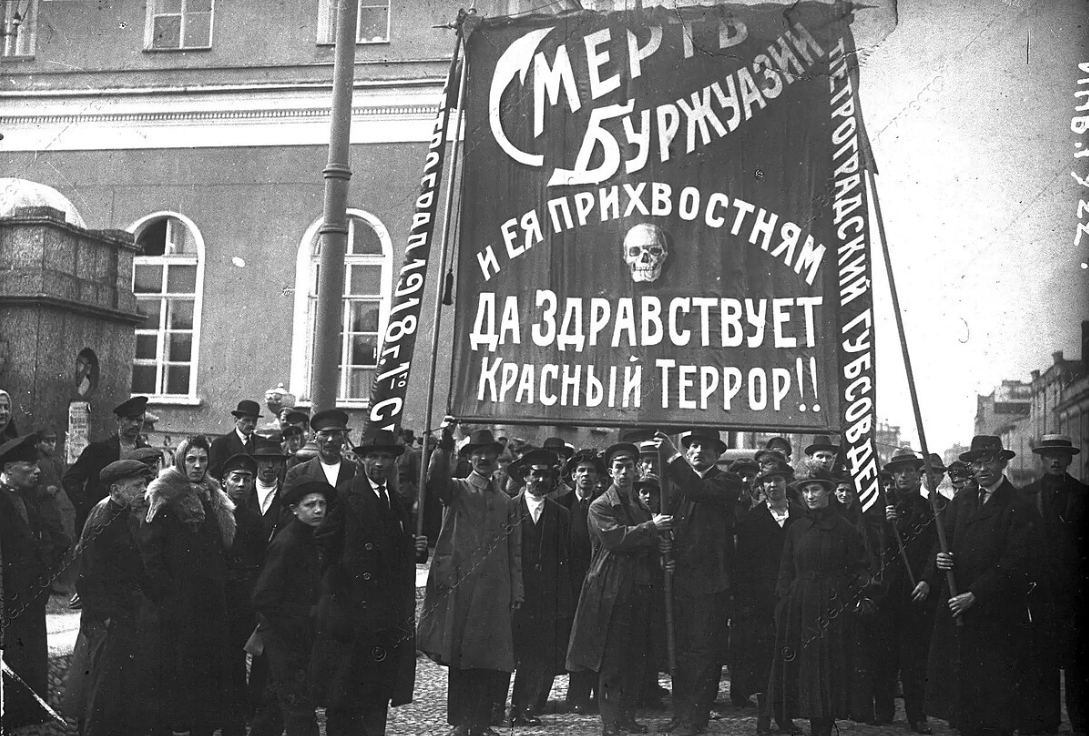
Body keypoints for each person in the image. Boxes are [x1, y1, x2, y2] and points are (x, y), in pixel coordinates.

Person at [310, 428, 429, 735]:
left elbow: (390, 552)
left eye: (386, 458)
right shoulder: (346, 495)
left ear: (394, 462)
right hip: (352, 616)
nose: (379, 463)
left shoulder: (394, 499)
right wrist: (337, 600)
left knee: (376, 696)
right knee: (345, 698)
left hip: (384, 617)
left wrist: (411, 549)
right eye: (373, 457)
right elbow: (323, 548)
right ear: (362, 460)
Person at [923, 435, 1036, 736]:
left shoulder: (1019, 505)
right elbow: (943, 537)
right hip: (959, 608)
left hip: (997, 613)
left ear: (1002, 462)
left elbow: (1016, 562)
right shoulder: (963, 499)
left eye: (988, 461)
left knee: (997, 701)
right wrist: (941, 558)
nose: (982, 468)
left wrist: (976, 594)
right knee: (964, 699)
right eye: (976, 462)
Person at [417, 426, 522, 736]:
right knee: (462, 658)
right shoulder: (457, 489)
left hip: (495, 591)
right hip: (462, 588)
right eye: (477, 455)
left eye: (489, 455)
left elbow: (514, 549)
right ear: (469, 458)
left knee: (489, 660)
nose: (483, 460)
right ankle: (462, 722)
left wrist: (517, 590)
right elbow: (434, 480)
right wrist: (445, 443)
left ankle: (481, 722)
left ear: (497, 460)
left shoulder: (505, 500)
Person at [567, 441, 673, 736]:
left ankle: (626, 717)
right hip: (611, 590)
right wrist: (652, 529)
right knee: (612, 660)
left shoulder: (639, 506)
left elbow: (645, 541)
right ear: (610, 473)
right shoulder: (600, 505)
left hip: (639, 589)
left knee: (635, 658)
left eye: (630, 467)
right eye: (619, 467)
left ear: (638, 469)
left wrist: (659, 542)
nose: (625, 472)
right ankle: (611, 722)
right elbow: (616, 539)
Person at [138, 434, 237, 736]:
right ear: (181, 461)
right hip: (178, 601)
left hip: (209, 599)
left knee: (207, 663)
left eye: (202, 460)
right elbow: (151, 553)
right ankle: (178, 724)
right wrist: (166, 594)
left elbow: (218, 547)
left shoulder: (212, 494)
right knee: (180, 664)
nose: (196, 466)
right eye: (191, 459)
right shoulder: (164, 496)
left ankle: (203, 723)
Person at [767, 468, 875, 736]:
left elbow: (859, 567)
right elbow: (785, 568)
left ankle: (823, 729)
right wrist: (783, 602)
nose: (810, 495)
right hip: (800, 606)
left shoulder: (845, 529)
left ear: (829, 492)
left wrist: (863, 595)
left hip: (832, 607)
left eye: (816, 489)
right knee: (802, 668)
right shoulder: (797, 528)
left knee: (826, 670)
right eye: (805, 491)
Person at [655, 429, 742, 734]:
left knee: (705, 655)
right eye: (692, 446)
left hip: (711, 583)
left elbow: (698, 491)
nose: (697, 452)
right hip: (680, 580)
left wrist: (671, 455)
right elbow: (673, 522)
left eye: (705, 447)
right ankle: (680, 715)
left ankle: (696, 720)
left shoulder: (726, 481)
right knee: (679, 653)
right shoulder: (677, 485)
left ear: (718, 454)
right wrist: (666, 545)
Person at [62, 459, 150, 735]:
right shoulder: (103, 520)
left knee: (116, 690)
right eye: (137, 485)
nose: (144, 489)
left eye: (144, 483)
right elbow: (89, 578)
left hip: (121, 616)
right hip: (108, 621)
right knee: (102, 692)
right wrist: (107, 618)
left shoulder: (120, 514)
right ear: (116, 489)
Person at [1017, 434, 1087, 736]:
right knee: (1041, 658)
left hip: (1077, 592)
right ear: (1041, 460)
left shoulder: (1084, 495)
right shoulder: (1026, 496)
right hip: (1040, 592)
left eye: (1061, 455)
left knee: (1079, 661)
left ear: (1070, 459)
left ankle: (1082, 720)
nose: (1056, 460)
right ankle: (1046, 722)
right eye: (1050, 456)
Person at [251, 479, 333, 736]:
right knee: (300, 707)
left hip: (300, 634)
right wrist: (295, 624)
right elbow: (263, 596)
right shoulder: (288, 543)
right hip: (286, 637)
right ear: (295, 509)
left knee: (274, 701)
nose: (318, 510)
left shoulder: (312, 538)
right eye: (310, 505)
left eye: (322, 504)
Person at [0, 434, 70, 729]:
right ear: (10, 469)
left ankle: (30, 710)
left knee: (31, 652)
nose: (38, 471)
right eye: (30, 466)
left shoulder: (29, 499)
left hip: (31, 595)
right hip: (8, 599)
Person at [733, 460, 803, 736]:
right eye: (767, 482)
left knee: (790, 659)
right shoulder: (752, 520)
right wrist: (747, 602)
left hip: (793, 599)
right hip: (761, 604)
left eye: (778, 480)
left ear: (787, 483)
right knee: (764, 663)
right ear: (761, 487)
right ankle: (763, 719)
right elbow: (742, 567)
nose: (773, 486)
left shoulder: (800, 516)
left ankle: (785, 718)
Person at [505, 448, 572, 725]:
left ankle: (523, 709)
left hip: (544, 597)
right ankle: (495, 707)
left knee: (534, 655)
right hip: (511, 593)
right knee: (504, 651)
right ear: (524, 476)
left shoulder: (561, 514)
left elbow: (565, 560)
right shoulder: (508, 508)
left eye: (547, 475)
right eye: (536, 474)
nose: (541, 481)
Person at [874, 449, 939, 733]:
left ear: (918, 475)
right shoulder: (881, 508)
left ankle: (917, 715)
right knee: (884, 653)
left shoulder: (931, 508)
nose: (903, 476)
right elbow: (873, 550)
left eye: (910, 471)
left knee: (915, 658)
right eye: (898, 472)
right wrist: (884, 526)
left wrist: (926, 580)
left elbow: (937, 548)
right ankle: (884, 710)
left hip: (917, 593)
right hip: (887, 593)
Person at [63, 396, 150, 554]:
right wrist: (88, 507)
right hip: (99, 523)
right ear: (119, 420)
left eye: (139, 420)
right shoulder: (98, 450)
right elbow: (70, 479)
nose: (135, 424)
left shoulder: (146, 452)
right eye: (130, 419)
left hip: (132, 522)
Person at [221, 453, 268, 736]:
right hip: (216, 598)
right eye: (235, 479)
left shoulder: (254, 519)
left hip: (242, 601)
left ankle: (233, 723)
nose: (241, 484)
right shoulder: (213, 512)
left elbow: (260, 560)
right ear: (224, 481)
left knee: (237, 663)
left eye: (247, 479)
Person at [560, 448, 605, 714]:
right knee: (575, 639)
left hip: (599, 581)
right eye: (582, 471)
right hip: (572, 582)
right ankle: (576, 694)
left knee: (596, 636)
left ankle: (598, 694)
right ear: (574, 475)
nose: (587, 476)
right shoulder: (562, 504)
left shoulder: (604, 504)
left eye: (591, 471)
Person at [284, 410, 356, 491]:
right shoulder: (297, 473)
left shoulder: (356, 471)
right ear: (315, 437)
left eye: (336, 434)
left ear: (344, 438)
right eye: (324, 434)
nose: (330, 439)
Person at [249, 437, 290, 542]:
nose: (270, 465)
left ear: (281, 465)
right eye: (265, 460)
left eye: (275, 461)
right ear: (257, 462)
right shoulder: (245, 491)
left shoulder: (287, 495)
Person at [209, 399, 262, 479]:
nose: (251, 424)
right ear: (236, 420)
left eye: (254, 421)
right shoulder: (220, 443)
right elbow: (214, 475)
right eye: (246, 420)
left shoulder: (262, 443)